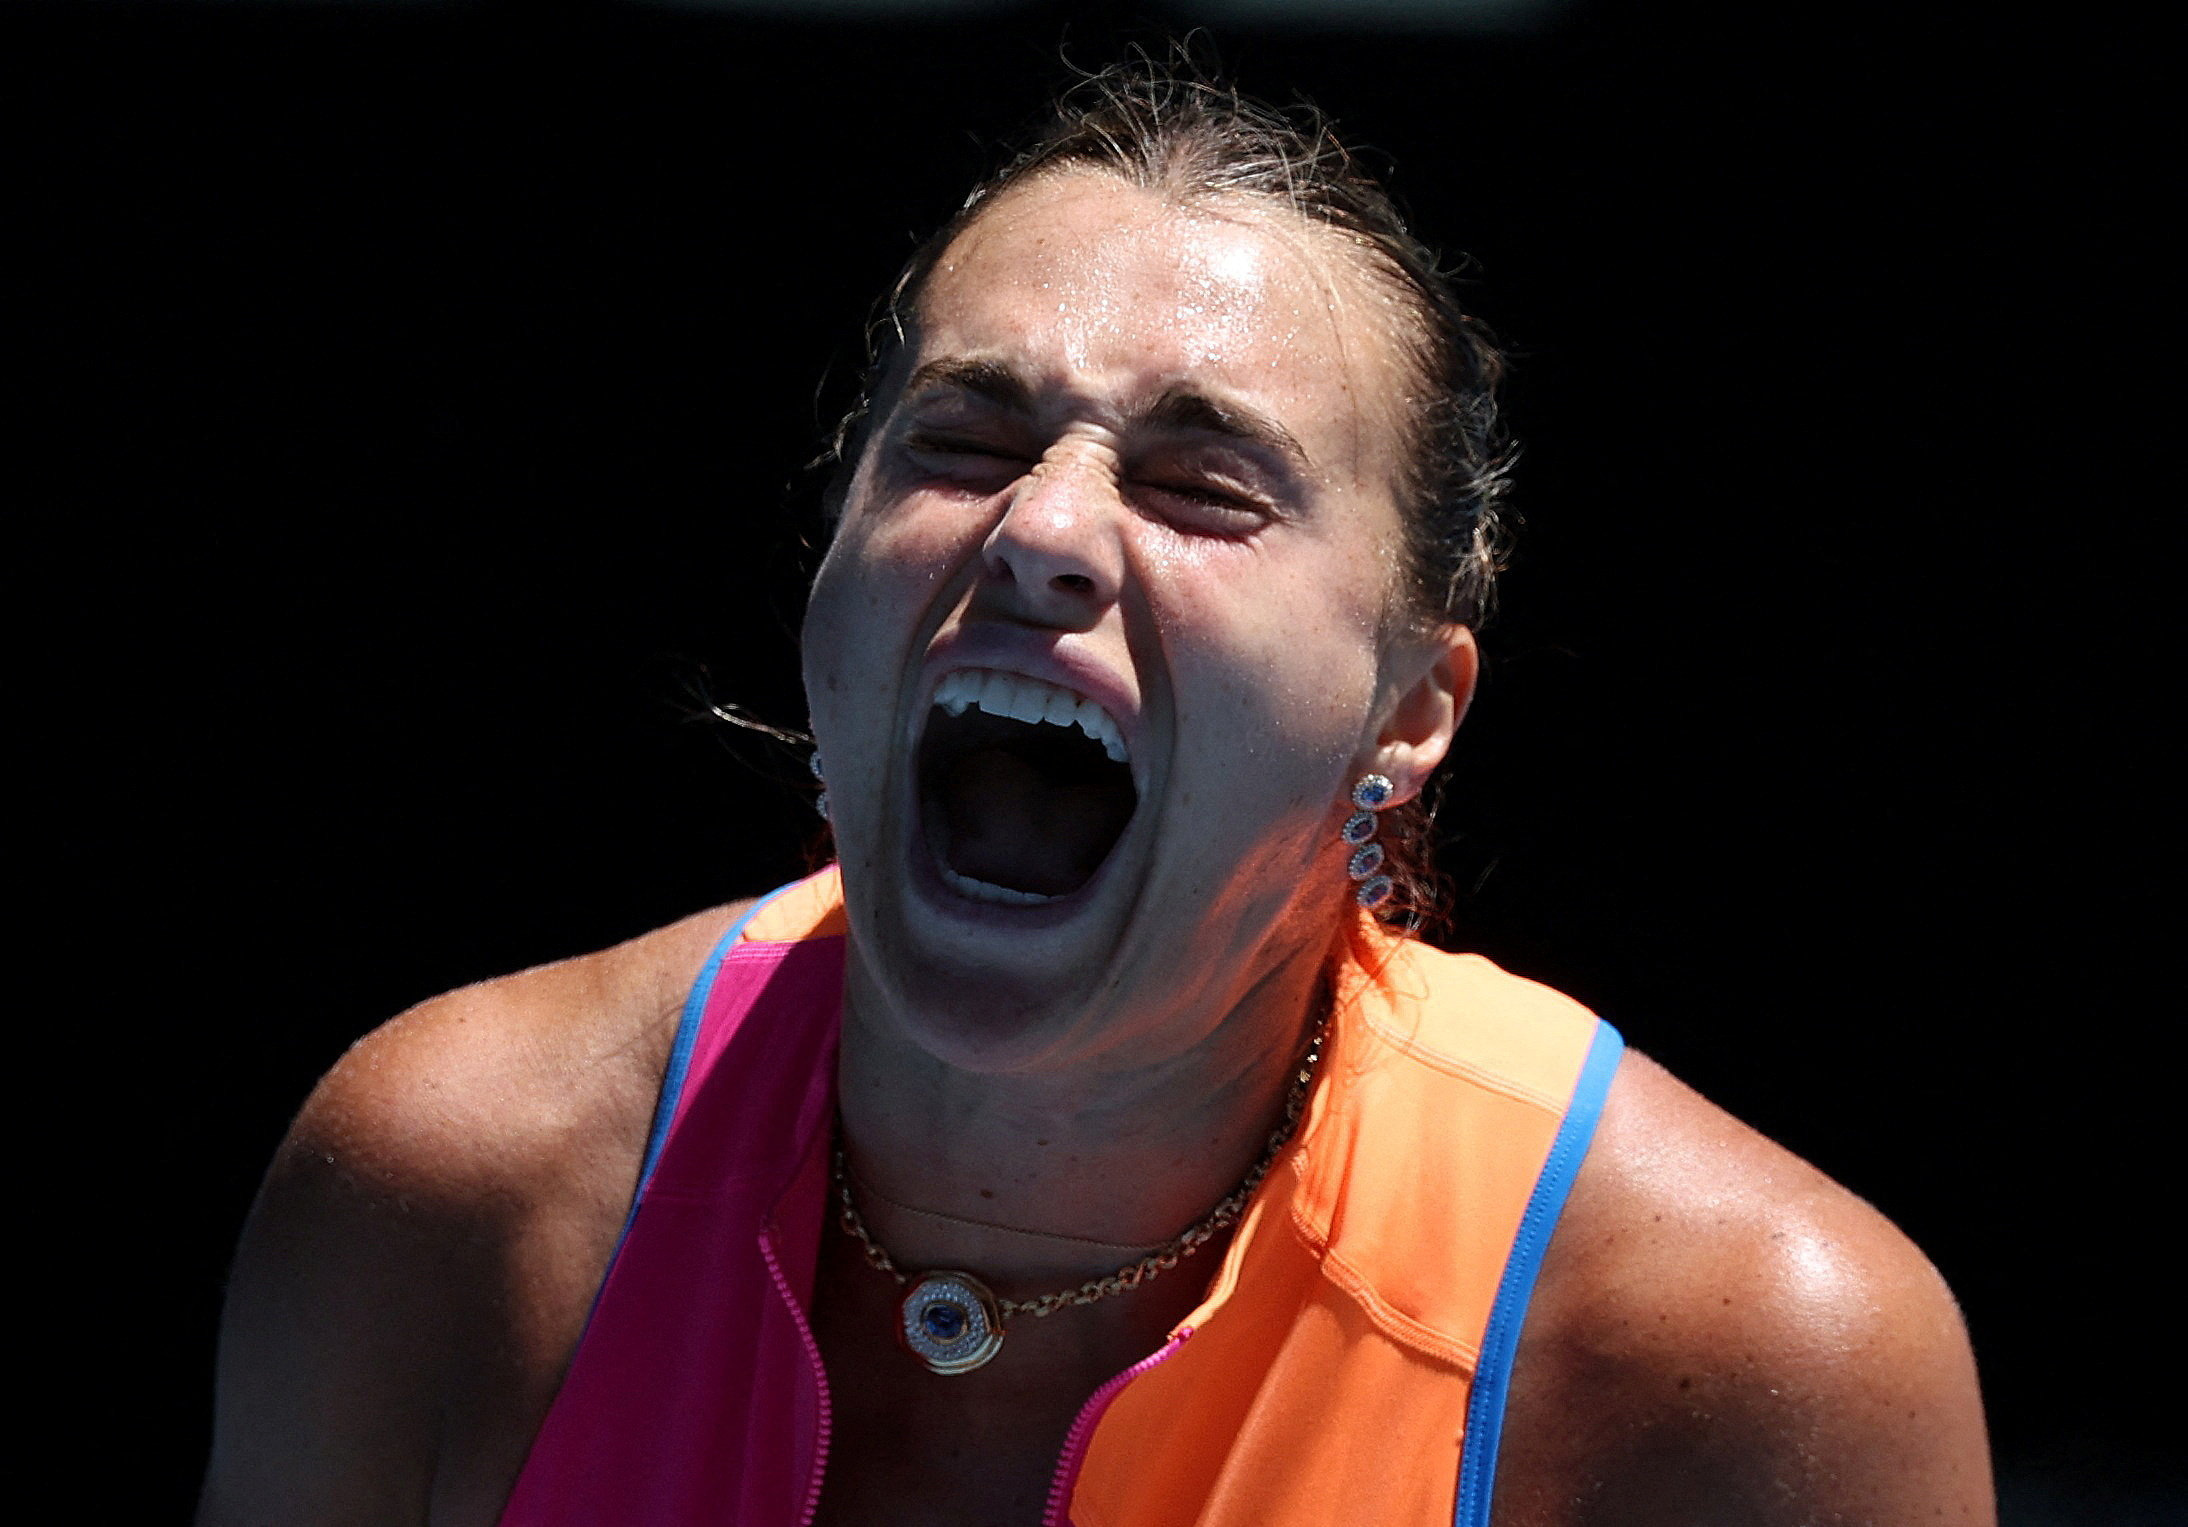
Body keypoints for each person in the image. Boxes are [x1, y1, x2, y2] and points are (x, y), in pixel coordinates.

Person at [198, 61, 1994, 1527]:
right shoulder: (440, 1188)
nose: (1043, 530)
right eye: (962, 444)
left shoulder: (1760, 1357)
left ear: (1411, 711)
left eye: (1205, 486)